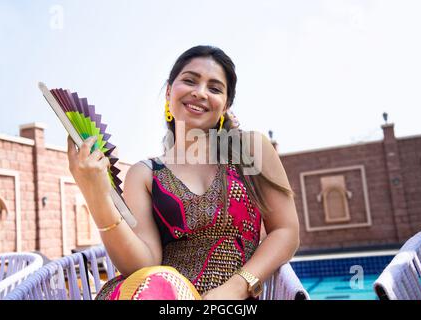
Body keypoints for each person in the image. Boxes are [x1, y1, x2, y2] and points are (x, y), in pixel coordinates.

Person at [67, 45, 300, 300]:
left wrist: (237, 286)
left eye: (214, 88)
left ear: (226, 105)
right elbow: (144, 266)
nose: (199, 93)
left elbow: (285, 232)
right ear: (169, 92)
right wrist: (95, 196)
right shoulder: (145, 174)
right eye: (189, 81)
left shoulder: (250, 150)